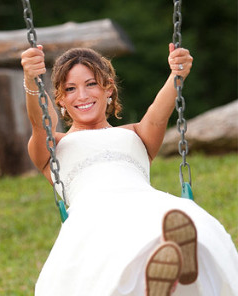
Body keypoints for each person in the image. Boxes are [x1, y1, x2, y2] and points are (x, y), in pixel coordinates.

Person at [20, 44, 238, 295]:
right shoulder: (53, 146)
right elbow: (41, 121)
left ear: (108, 88)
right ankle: (156, 277)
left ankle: (174, 261)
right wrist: (31, 79)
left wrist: (177, 74)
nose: (81, 95)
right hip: (95, 214)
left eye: (91, 84)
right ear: (59, 99)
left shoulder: (137, 134)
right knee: (121, 241)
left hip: (149, 204)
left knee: (175, 220)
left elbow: (158, 113)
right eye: (70, 89)